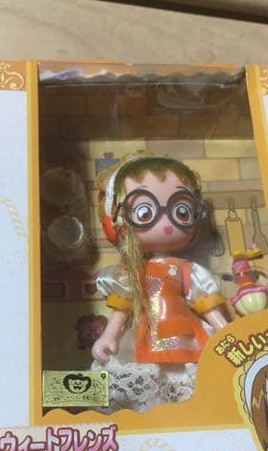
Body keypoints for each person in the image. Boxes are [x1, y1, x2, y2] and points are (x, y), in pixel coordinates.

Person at [92, 154, 228, 412]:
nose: (166, 224)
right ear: (115, 222)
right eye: (144, 212)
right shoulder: (134, 273)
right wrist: (109, 336)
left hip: (187, 339)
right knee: (145, 390)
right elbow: (124, 307)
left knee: (193, 388)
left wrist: (225, 332)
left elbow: (204, 302)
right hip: (146, 338)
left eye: (181, 211)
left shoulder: (187, 270)